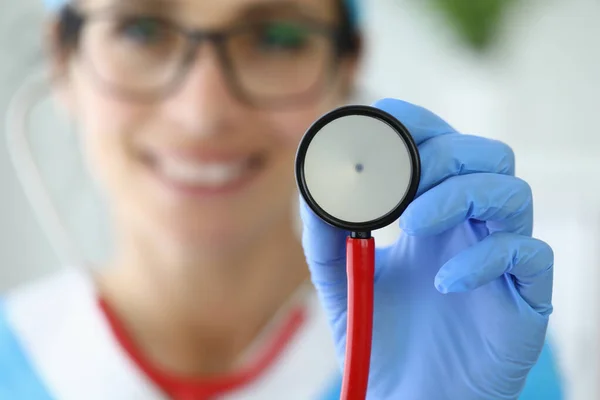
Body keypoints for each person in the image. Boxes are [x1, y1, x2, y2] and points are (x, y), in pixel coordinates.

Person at [0, 0, 563, 398]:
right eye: (141, 31)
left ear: (346, 67)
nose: (202, 112)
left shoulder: (486, 359)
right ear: (61, 60)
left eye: (276, 38)